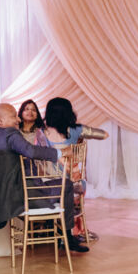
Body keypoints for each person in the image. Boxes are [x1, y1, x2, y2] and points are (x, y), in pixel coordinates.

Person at [31, 98, 108, 253]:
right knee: (73, 188)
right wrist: (79, 139)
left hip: (50, 184)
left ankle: (54, 231)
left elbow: (37, 157)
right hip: (74, 183)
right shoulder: (76, 130)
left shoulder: (41, 133)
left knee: (51, 189)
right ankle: (68, 235)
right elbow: (104, 135)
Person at [0, 103, 60, 230]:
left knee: (54, 188)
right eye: (14, 116)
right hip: (22, 198)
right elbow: (31, 151)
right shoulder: (11, 133)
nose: (19, 119)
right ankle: (64, 236)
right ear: (0, 120)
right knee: (67, 185)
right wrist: (59, 154)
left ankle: (46, 230)